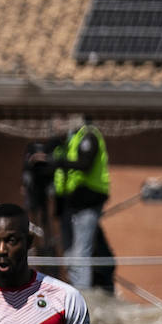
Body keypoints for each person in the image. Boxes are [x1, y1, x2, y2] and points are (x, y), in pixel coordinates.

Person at [48, 115, 113, 293]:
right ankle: (76, 291)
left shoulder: (89, 135)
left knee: (81, 252)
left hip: (88, 199)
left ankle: (83, 297)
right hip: (71, 202)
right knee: (70, 254)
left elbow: (85, 164)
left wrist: (59, 162)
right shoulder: (68, 142)